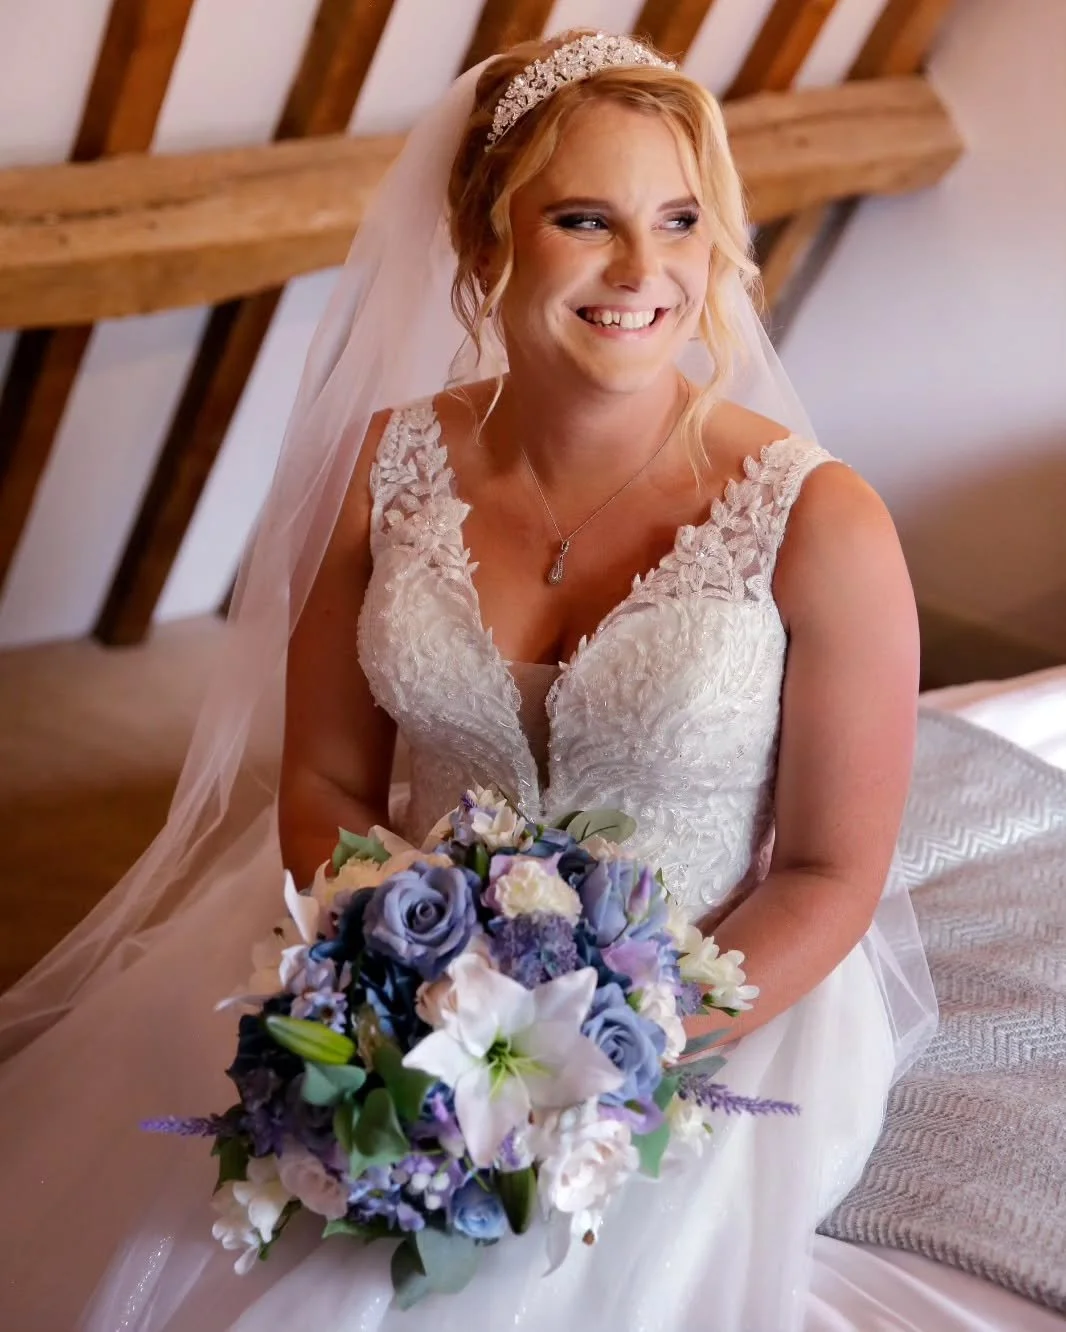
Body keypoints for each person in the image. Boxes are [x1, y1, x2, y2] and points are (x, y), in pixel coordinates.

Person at [0, 30, 936, 1331]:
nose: (643, 270)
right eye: (582, 220)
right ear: (486, 242)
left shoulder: (819, 520)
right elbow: (327, 774)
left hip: (709, 1007)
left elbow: (831, 872)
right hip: (390, 963)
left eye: (678, 219)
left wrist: (609, 1065)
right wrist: (397, 1005)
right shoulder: (379, 468)